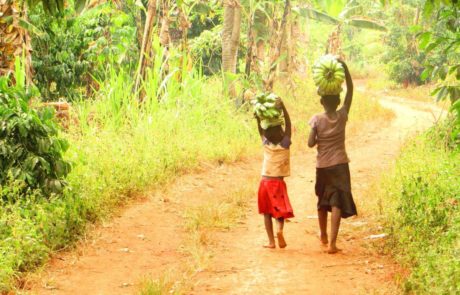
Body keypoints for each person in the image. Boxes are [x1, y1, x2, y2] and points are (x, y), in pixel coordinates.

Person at [307, 59, 357, 254]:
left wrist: (318, 135)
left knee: (322, 200)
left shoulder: (317, 120)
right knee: (337, 201)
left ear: (321, 101)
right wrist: (345, 68)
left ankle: (323, 234)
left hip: (322, 166)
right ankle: (332, 244)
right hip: (340, 165)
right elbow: (351, 92)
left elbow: (310, 143)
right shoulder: (343, 115)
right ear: (338, 102)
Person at [256, 100, 294, 249]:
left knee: (266, 212)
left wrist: (258, 117)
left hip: (264, 183)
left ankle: (271, 241)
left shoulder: (266, 143)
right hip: (277, 184)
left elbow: (260, 130)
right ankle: (280, 230)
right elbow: (289, 125)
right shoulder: (285, 143)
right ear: (281, 131)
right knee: (279, 212)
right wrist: (283, 107)